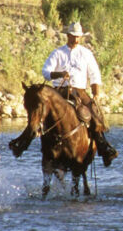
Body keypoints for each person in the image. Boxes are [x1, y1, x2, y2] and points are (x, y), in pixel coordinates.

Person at [41, 21, 118, 166]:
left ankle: (103, 147)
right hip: (59, 91)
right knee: (40, 112)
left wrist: (95, 93)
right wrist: (59, 74)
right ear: (68, 36)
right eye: (73, 36)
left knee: (94, 114)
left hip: (80, 90)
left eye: (78, 37)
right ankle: (28, 139)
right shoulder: (57, 53)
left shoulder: (86, 53)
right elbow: (45, 72)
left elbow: (95, 75)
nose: (75, 39)